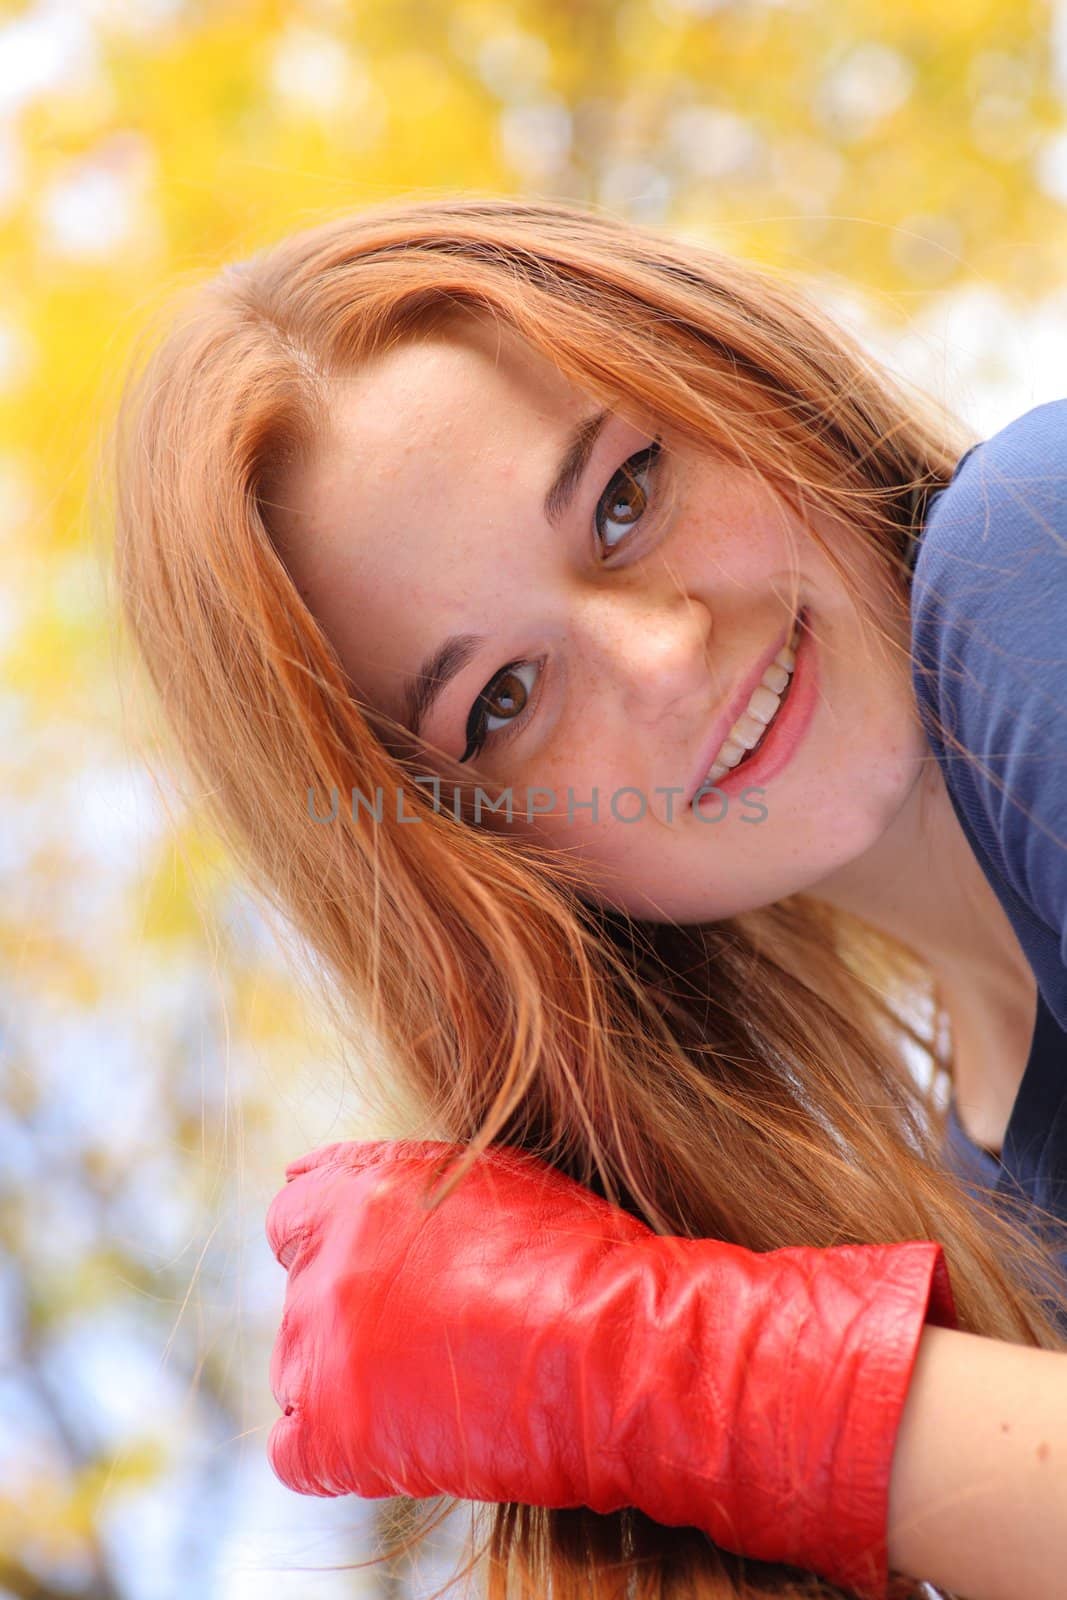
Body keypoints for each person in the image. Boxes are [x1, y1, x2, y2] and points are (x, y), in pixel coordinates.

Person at [106, 195, 1067, 1600]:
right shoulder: (978, 1221)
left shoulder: (1031, 557)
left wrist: (695, 1380)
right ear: (490, 860)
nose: (666, 656)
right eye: (503, 700)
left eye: (626, 496)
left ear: (728, 381)